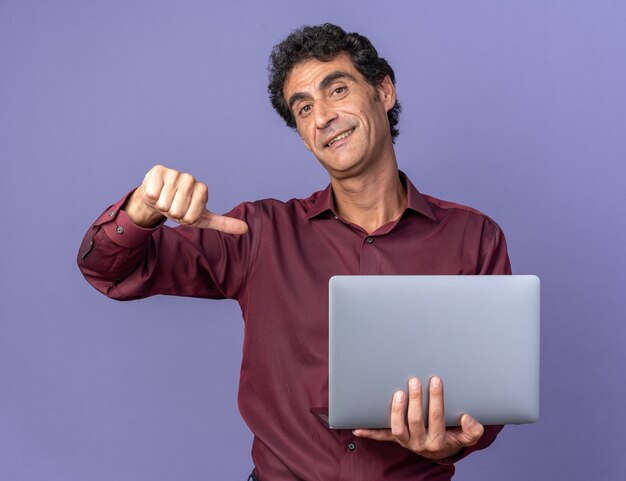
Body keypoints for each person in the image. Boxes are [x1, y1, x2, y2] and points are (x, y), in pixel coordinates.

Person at [78, 23, 511, 481]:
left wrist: (451, 442)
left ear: (384, 92)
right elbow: (108, 271)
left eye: (337, 89)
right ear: (303, 135)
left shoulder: (473, 237)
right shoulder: (257, 232)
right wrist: (143, 209)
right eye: (304, 108)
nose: (322, 116)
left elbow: (489, 400)